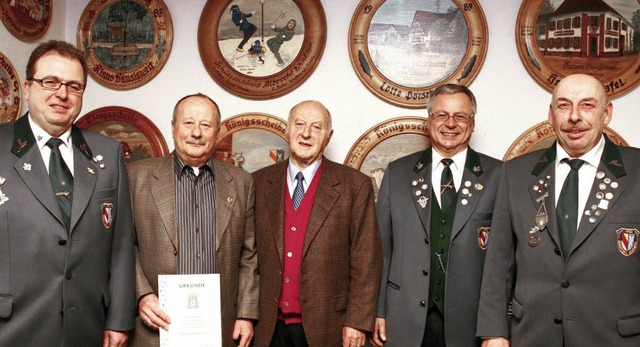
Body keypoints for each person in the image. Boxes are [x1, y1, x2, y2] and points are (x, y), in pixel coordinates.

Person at [477, 73, 640, 347]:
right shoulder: (516, 173)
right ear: (551, 115)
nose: (574, 116)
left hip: (615, 338)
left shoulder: (636, 171)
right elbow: (498, 263)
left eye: (587, 105)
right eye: (564, 106)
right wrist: (494, 332)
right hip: (533, 336)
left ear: (607, 113)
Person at [0, 40, 134, 346]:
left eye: (74, 86)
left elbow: (121, 244)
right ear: (28, 86)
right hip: (11, 328)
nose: (62, 94)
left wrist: (119, 319)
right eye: (50, 82)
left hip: (86, 326)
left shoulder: (108, 153)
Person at [370, 84, 502, 347]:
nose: (450, 124)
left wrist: (497, 327)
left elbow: (505, 261)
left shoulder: (499, 175)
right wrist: (378, 310)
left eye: (460, 116)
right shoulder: (397, 173)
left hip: (471, 322)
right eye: (441, 115)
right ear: (429, 121)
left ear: (472, 123)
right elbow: (381, 251)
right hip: (404, 317)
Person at [127, 93, 258, 347]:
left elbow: (248, 254)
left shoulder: (242, 182)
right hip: (155, 326)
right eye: (188, 123)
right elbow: (123, 247)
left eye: (205, 125)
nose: (196, 132)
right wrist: (141, 294)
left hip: (221, 328)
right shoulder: (136, 177)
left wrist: (246, 313)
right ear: (174, 127)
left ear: (216, 132)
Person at [252, 100, 382, 347]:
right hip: (268, 326)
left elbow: (367, 260)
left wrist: (357, 321)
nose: (306, 133)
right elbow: (247, 256)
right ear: (287, 130)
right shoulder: (258, 182)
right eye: (299, 124)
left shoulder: (354, 186)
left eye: (316, 127)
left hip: (328, 325)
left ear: (328, 136)